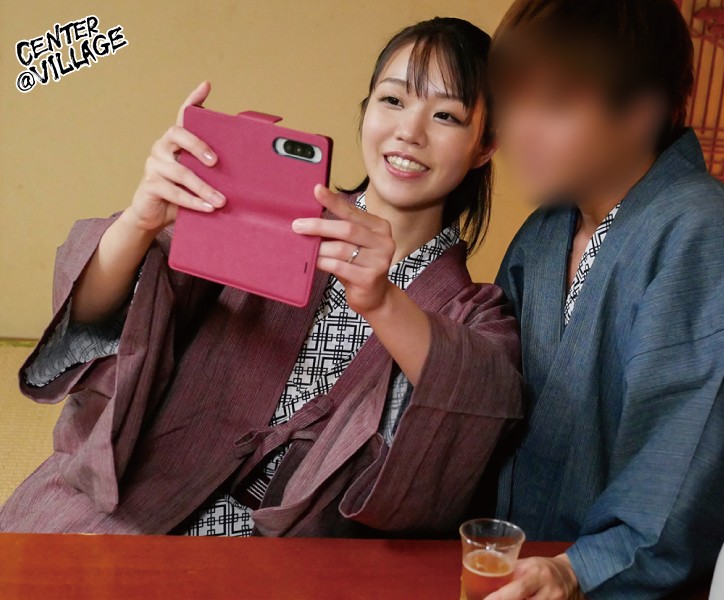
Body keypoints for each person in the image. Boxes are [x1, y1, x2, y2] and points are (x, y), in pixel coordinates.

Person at [0, 17, 523, 537]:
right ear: (366, 111)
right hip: (127, 511)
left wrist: (384, 302)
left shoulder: (474, 315)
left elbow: (473, 409)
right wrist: (140, 222)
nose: (410, 131)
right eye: (393, 100)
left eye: (447, 115)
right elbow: (103, 317)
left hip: (286, 559)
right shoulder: (270, 217)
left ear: (486, 146)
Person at [481, 1, 724, 599]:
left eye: (553, 105)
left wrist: (580, 569)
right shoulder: (543, 235)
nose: (519, 129)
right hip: (528, 571)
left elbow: (700, 458)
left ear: (640, 112)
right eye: (514, 101)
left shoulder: (709, 235)